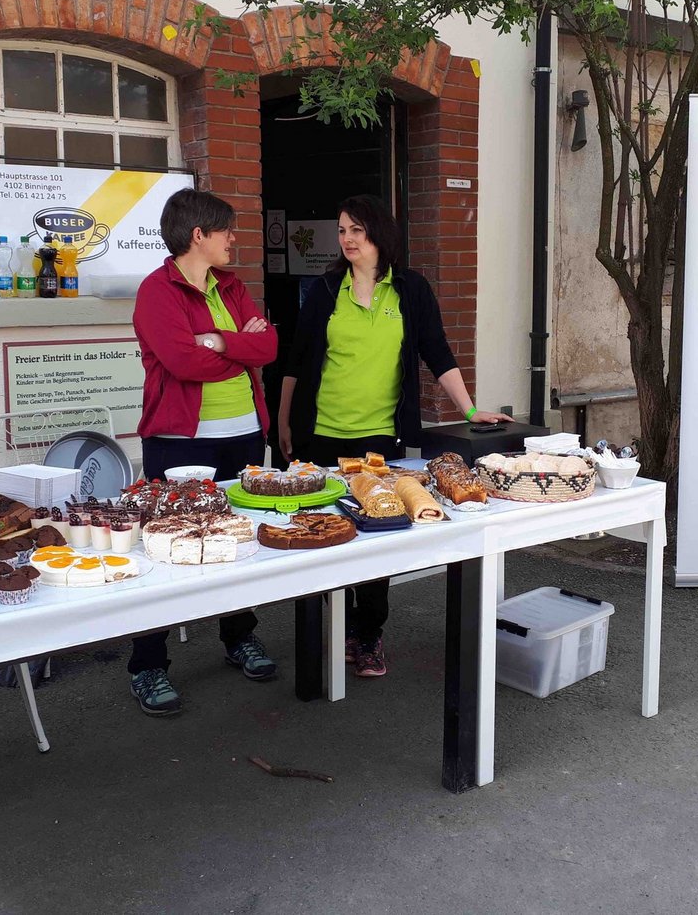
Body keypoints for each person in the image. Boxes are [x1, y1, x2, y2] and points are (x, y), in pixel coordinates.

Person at [277, 194, 511, 678]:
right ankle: (324, 630)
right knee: (321, 536)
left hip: (379, 442)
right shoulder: (323, 290)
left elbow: (438, 353)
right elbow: (296, 361)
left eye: (357, 231)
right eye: (342, 231)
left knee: (379, 539)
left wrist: (469, 408)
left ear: (381, 235)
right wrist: (282, 422)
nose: (348, 240)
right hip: (319, 436)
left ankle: (367, 635)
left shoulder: (410, 290)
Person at [128, 188, 280, 716]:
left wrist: (219, 342)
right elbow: (183, 363)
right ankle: (148, 665)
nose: (233, 239)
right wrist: (238, 347)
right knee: (166, 549)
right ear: (199, 234)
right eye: (227, 231)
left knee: (237, 541)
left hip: (243, 436)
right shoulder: (157, 292)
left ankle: (240, 637)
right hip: (179, 442)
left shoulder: (230, 287)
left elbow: (271, 347)